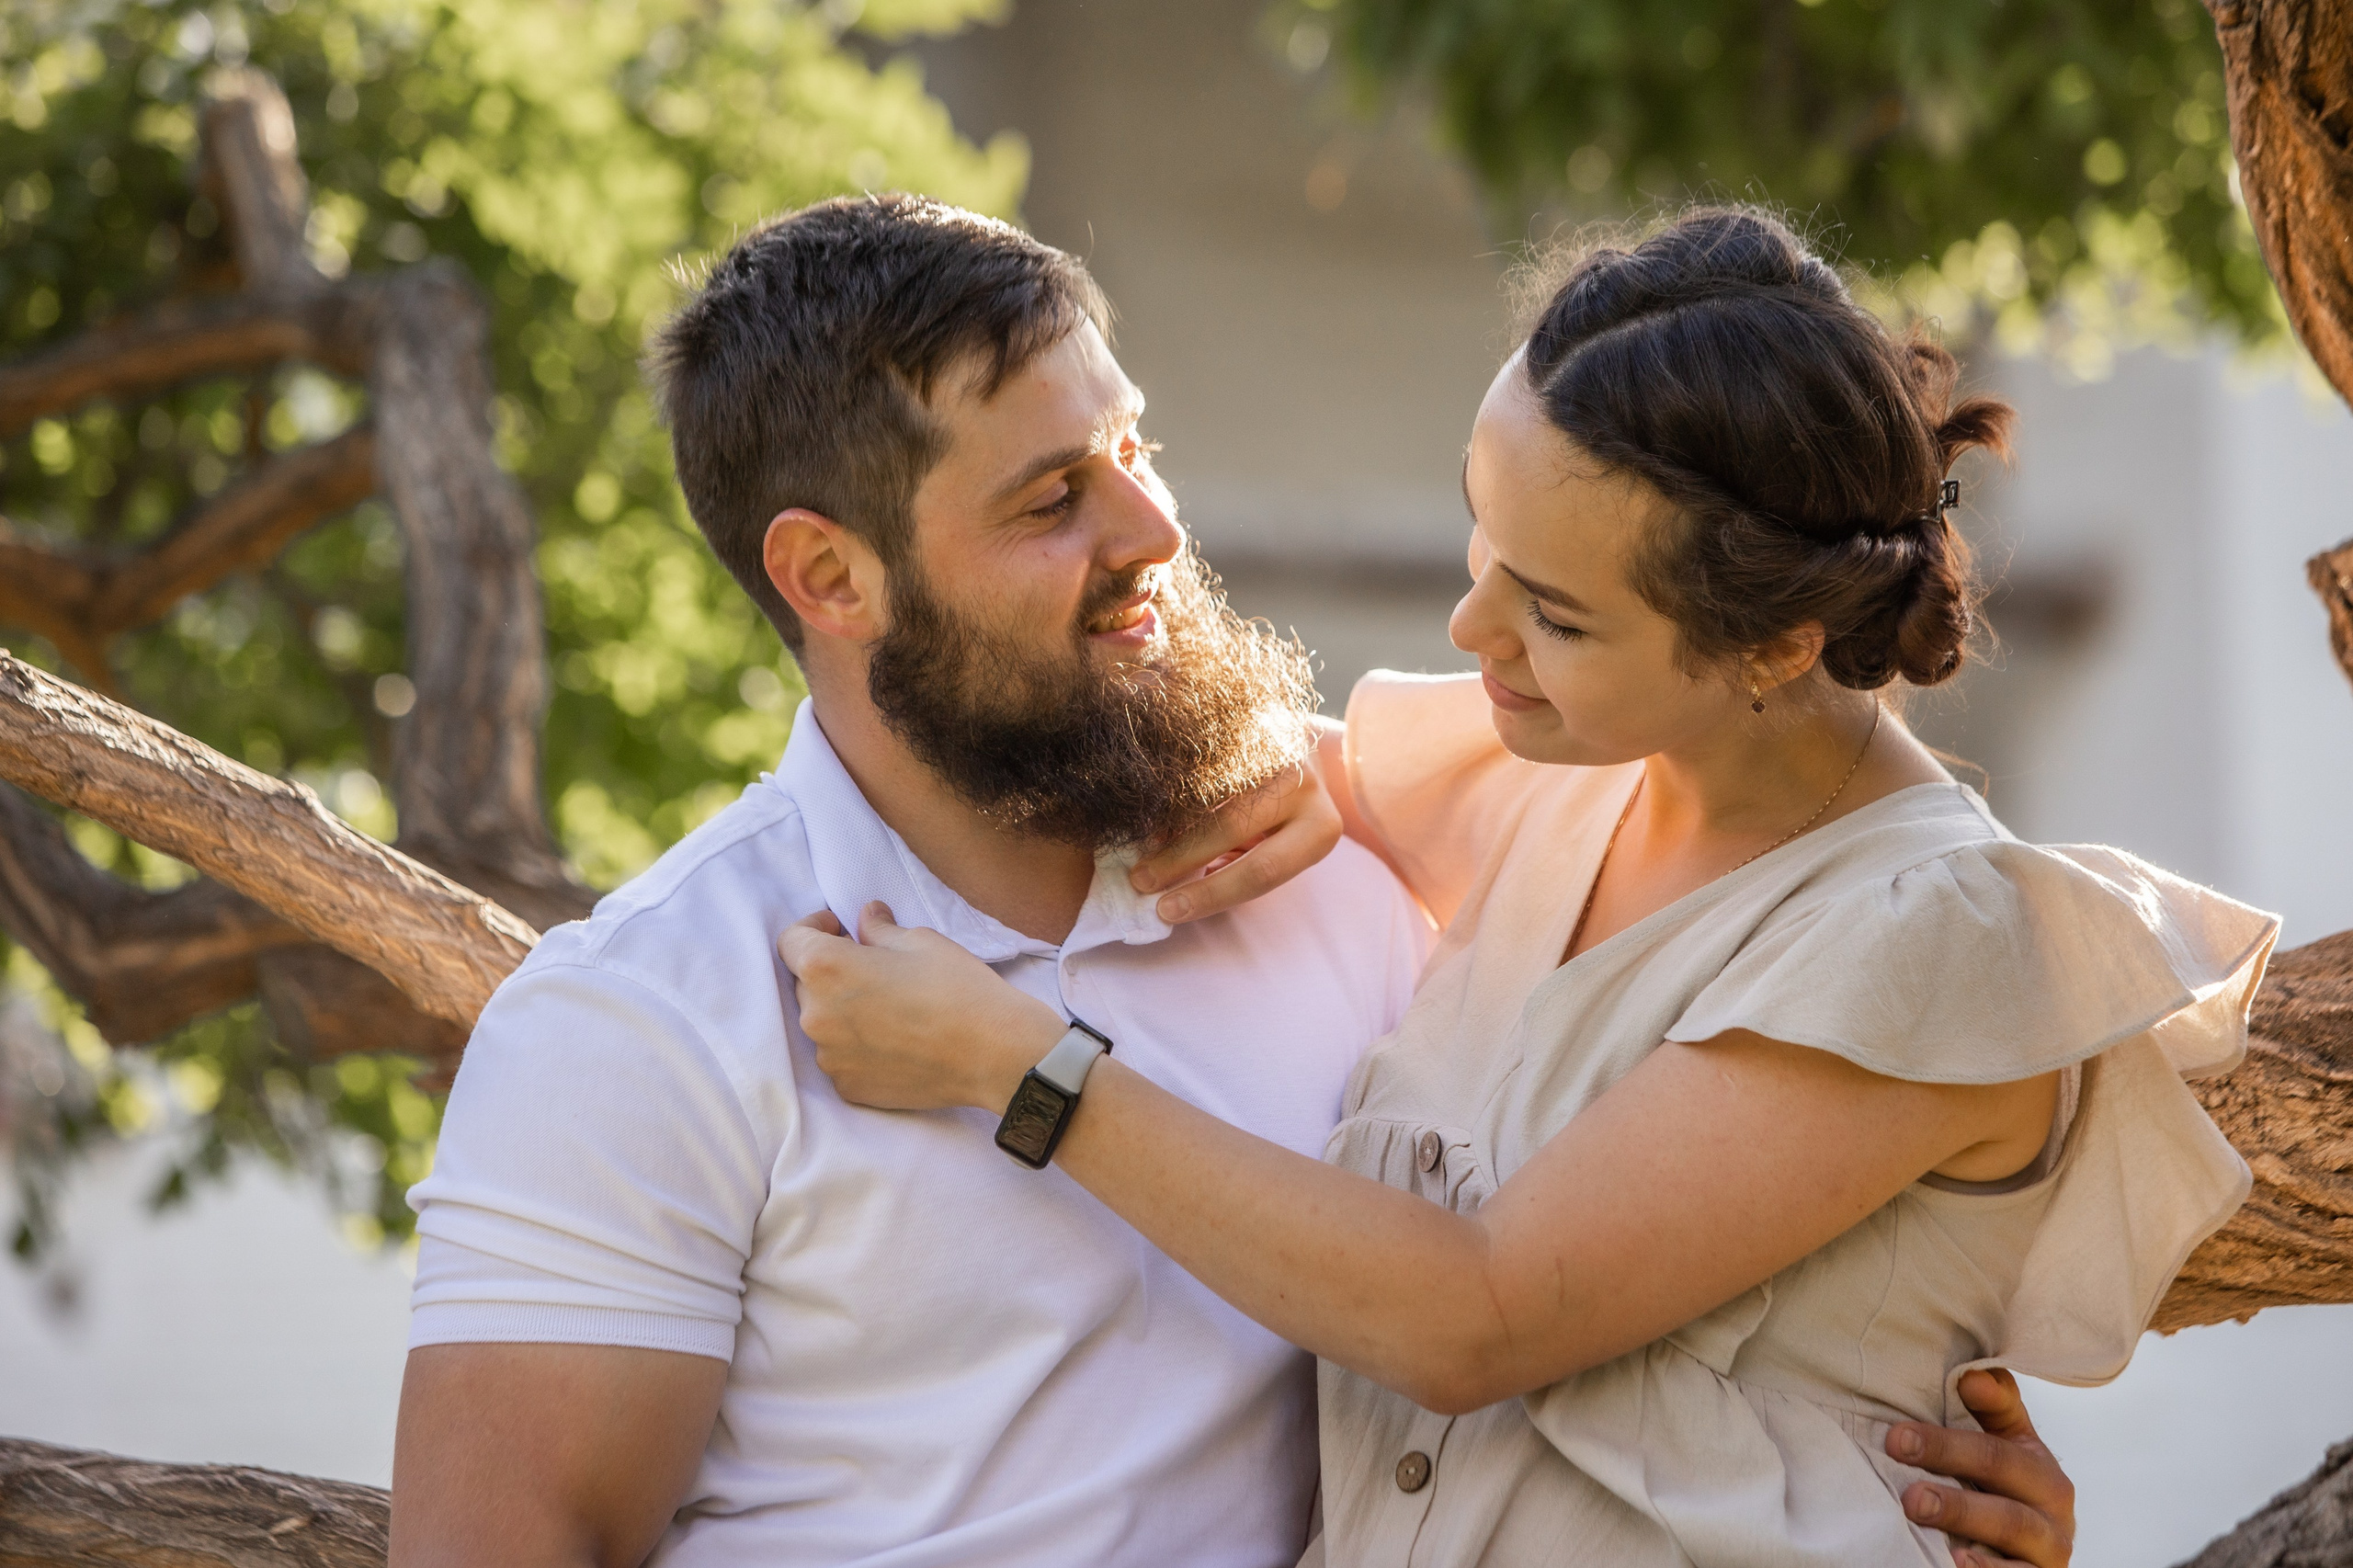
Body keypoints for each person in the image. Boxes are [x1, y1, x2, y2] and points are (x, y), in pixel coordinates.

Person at [391, 197, 2078, 1568]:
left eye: (1138, 445)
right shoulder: (645, 1023)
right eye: (1055, 495)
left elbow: (1554, 1276)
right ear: (828, 572)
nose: (1147, 526)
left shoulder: (1363, 891)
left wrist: (1872, 1470)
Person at [779, 208, 2276, 1566]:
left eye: (1551, 612)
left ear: (1770, 648)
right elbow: (1123, 736)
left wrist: (1014, 1066)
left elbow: (1474, 1314)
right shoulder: (1539, 772)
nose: (1468, 623)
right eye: (1484, 538)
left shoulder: (1932, 934)